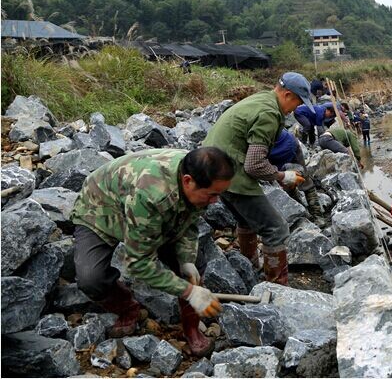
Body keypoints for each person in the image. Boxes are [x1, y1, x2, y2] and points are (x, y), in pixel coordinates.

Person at [71, 147, 234, 356]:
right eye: (212, 195)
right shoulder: (152, 196)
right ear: (187, 181)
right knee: (91, 279)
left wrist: (186, 260)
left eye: (219, 194)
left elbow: (189, 221)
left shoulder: (199, 172)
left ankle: (191, 327)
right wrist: (189, 292)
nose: (215, 202)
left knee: (192, 271)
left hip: (142, 208)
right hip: (101, 208)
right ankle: (128, 308)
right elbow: (138, 263)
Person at [203, 72, 313, 286]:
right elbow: (253, 165)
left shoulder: (262, 98)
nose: (296, 109)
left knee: (246, 219)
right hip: (229, 171)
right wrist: (282, 176)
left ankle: (250, 267)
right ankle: (277, 286)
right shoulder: (269, 113)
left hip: (209, 165)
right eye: (298, 102)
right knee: (276, 229)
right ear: (288, 94)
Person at [268, 128, 323, 221]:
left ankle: (310, 214)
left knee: (298, 179)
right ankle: (310, 215)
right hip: (284, 144)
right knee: (299, 179)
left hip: (284, 145)